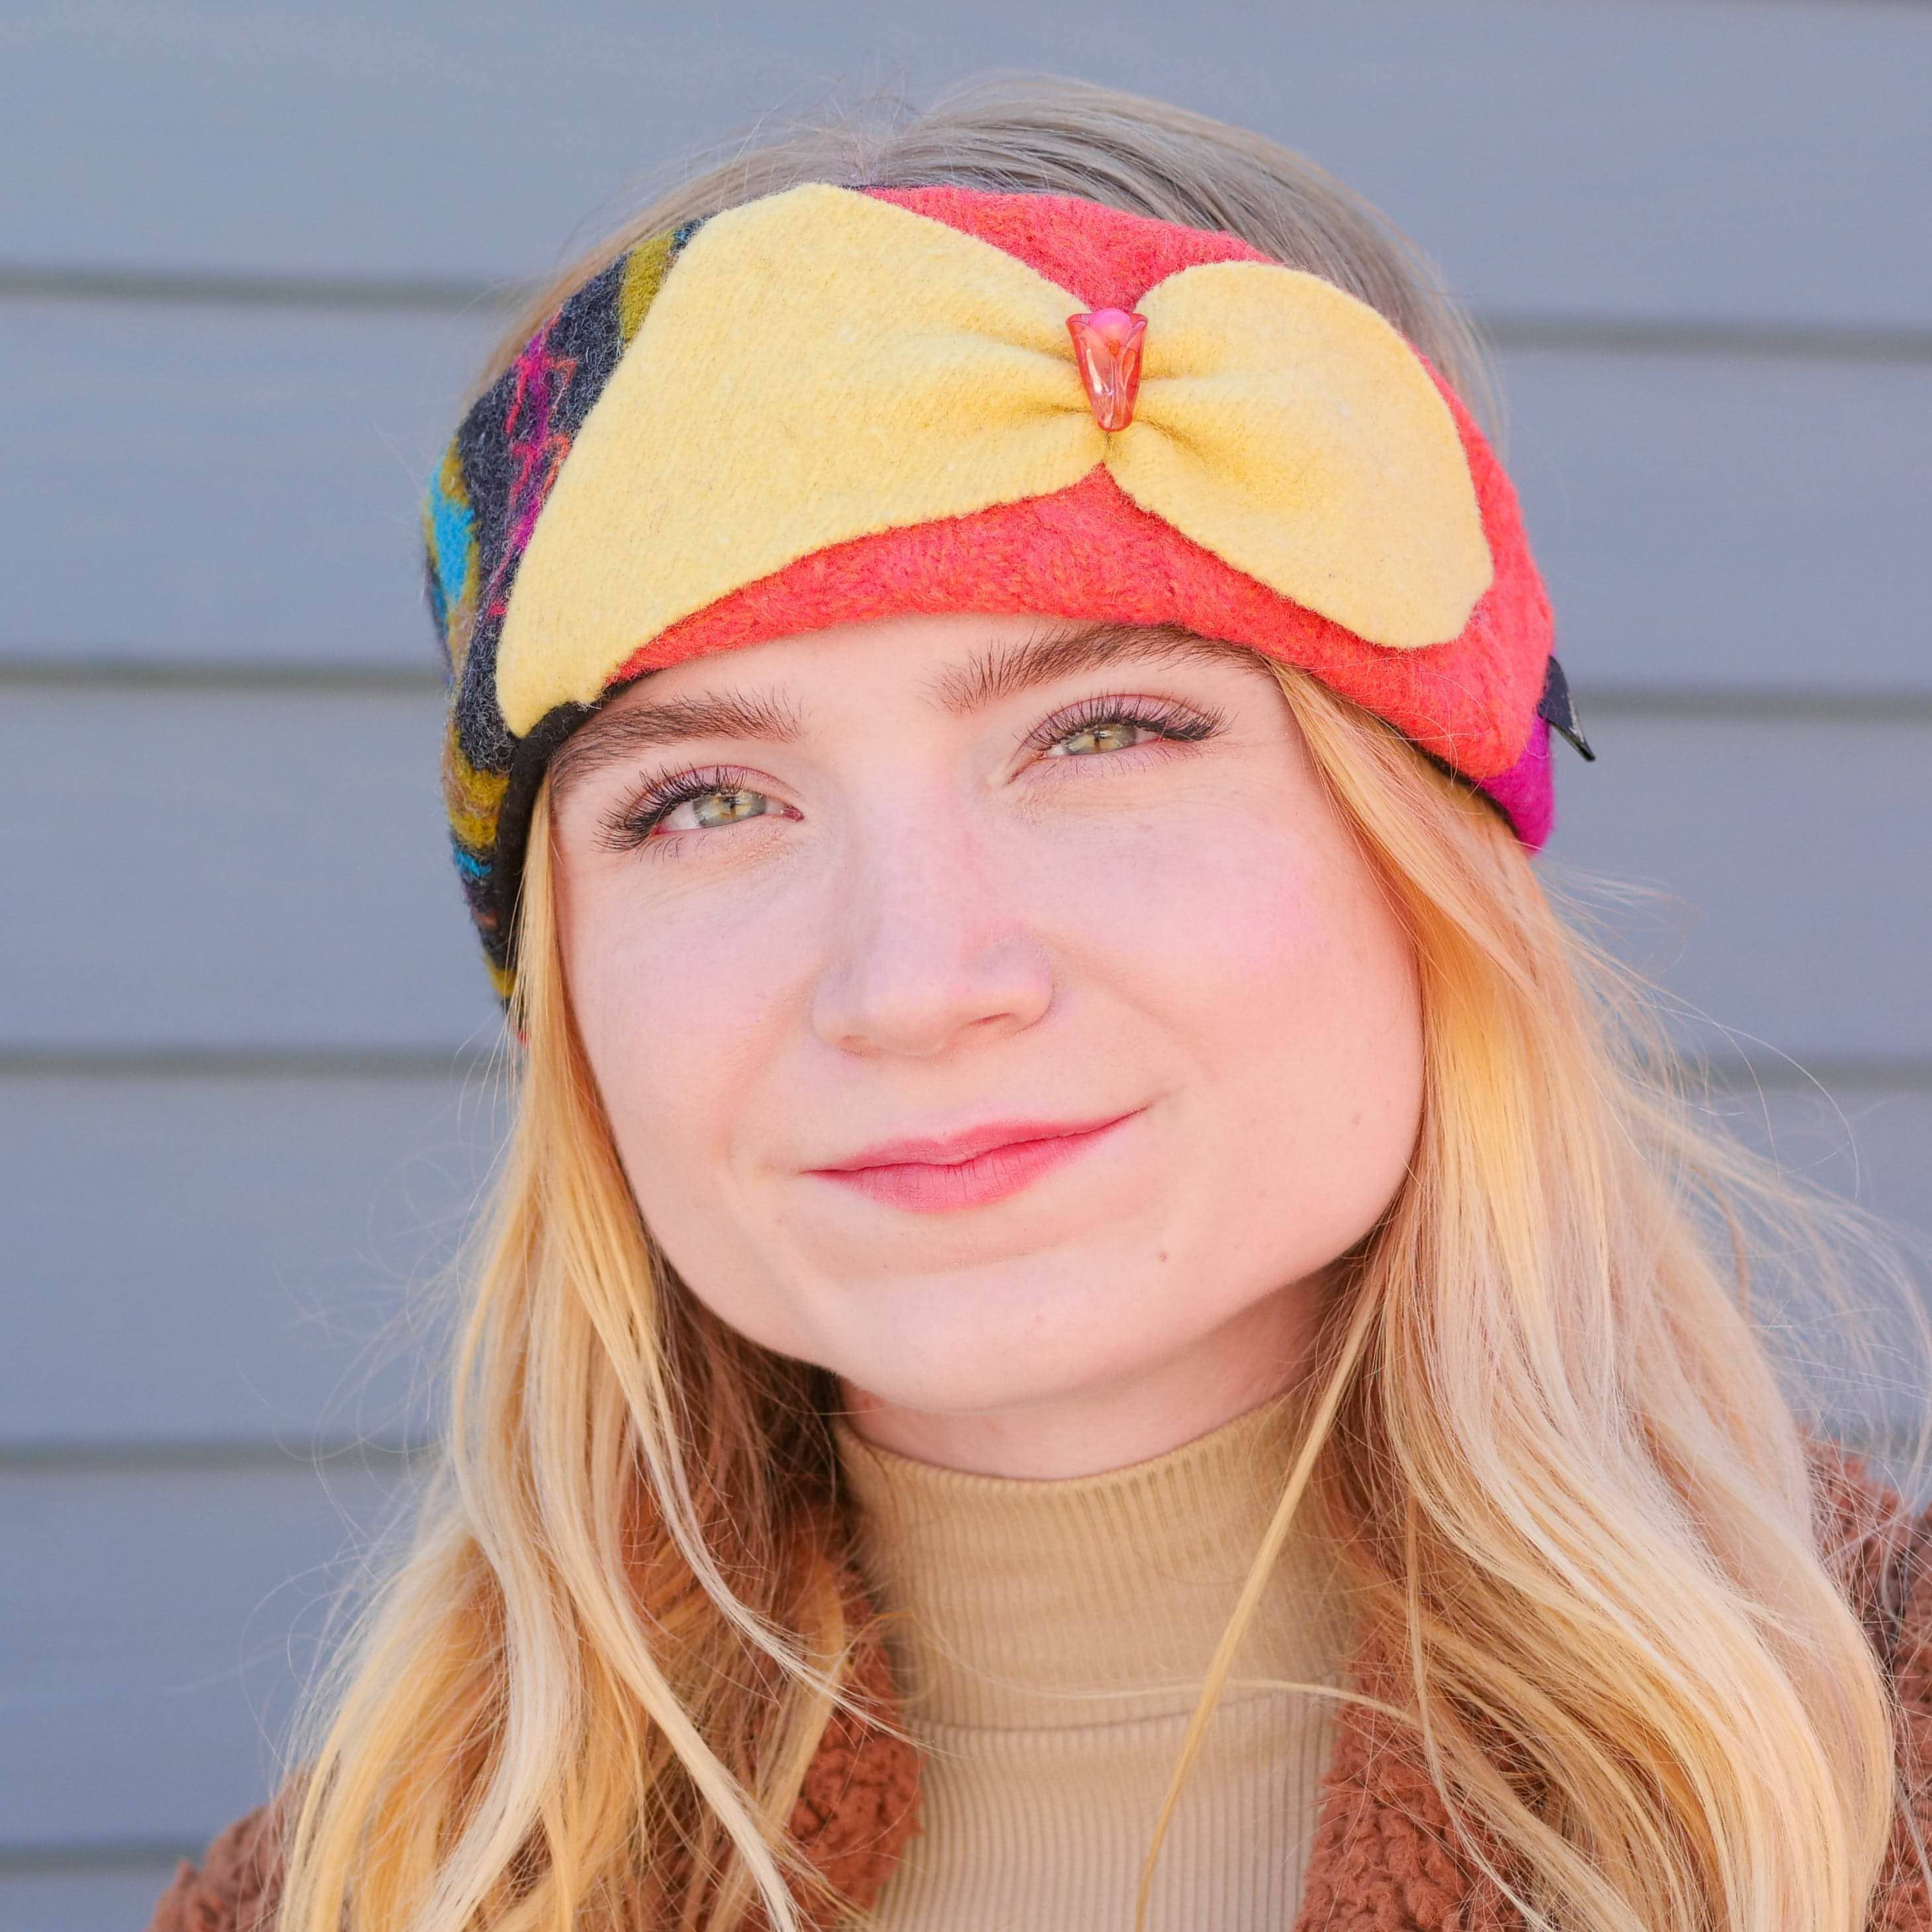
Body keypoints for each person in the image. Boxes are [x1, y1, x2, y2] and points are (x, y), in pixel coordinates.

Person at [149, 74, 1932, 1932]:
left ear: (1433, 858)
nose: (915, 983)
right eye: (704, 801)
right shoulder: (361, 1891)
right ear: (566, 993)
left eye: (1108, 732)